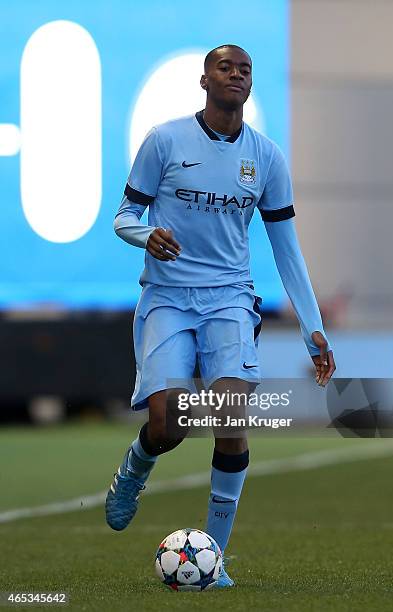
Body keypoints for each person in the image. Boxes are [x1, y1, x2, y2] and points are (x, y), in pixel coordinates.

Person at [105, 44, 336, 587]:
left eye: (245, 69)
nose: (236, 75)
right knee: (168, 426)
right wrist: (146, 233)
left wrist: (313, 328)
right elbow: (124, 217)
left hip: (230, 299)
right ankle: (137, 465)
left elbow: (287, 249)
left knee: (230, 420)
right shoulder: (164, 141)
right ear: (204, 79)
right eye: (225, 67)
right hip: (166, 297)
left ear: (251, 85)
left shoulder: (267, 158)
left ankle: (215, 559)